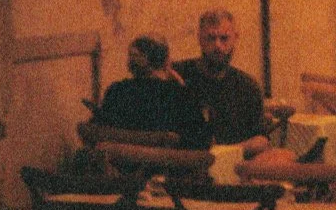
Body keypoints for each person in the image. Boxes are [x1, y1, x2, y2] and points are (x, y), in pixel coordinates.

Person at [97, 35, 211, 149]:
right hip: (168, 166)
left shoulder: (116, 92)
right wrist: (181, 87)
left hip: (120, 166)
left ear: (130, 65)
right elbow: (202, 141)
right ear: (167, 62)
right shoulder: (180, 96)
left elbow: (98, 130)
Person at [174, 9, 266, 146]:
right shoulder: (179, 76)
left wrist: (226, 153)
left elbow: (261, 139)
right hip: (189, 162)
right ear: (199, 38)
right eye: (211, 38)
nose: (217, 45)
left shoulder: (247, 87)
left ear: (235, 38)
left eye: (224, 38)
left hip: (234, 163)